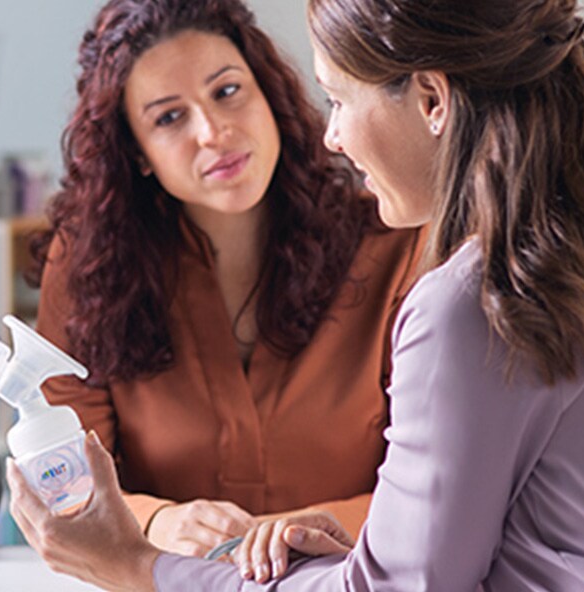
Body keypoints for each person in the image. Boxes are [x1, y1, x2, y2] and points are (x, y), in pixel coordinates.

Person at [8, 0, 584, 589]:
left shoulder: (485, 297)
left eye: (338, 99)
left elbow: (395, 589)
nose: (330, 133)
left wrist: (140, 567)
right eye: (167, 118)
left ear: (434, 99)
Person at [30, 0, 423, 558]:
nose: (213, 132)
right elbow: (64, 483)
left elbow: (442, 484)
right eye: (169, 118)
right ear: (138, 153)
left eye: (227, 91)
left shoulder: (393, 241)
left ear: (268, 93)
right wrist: (159, 522)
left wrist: (287, 535)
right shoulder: (86, 267)